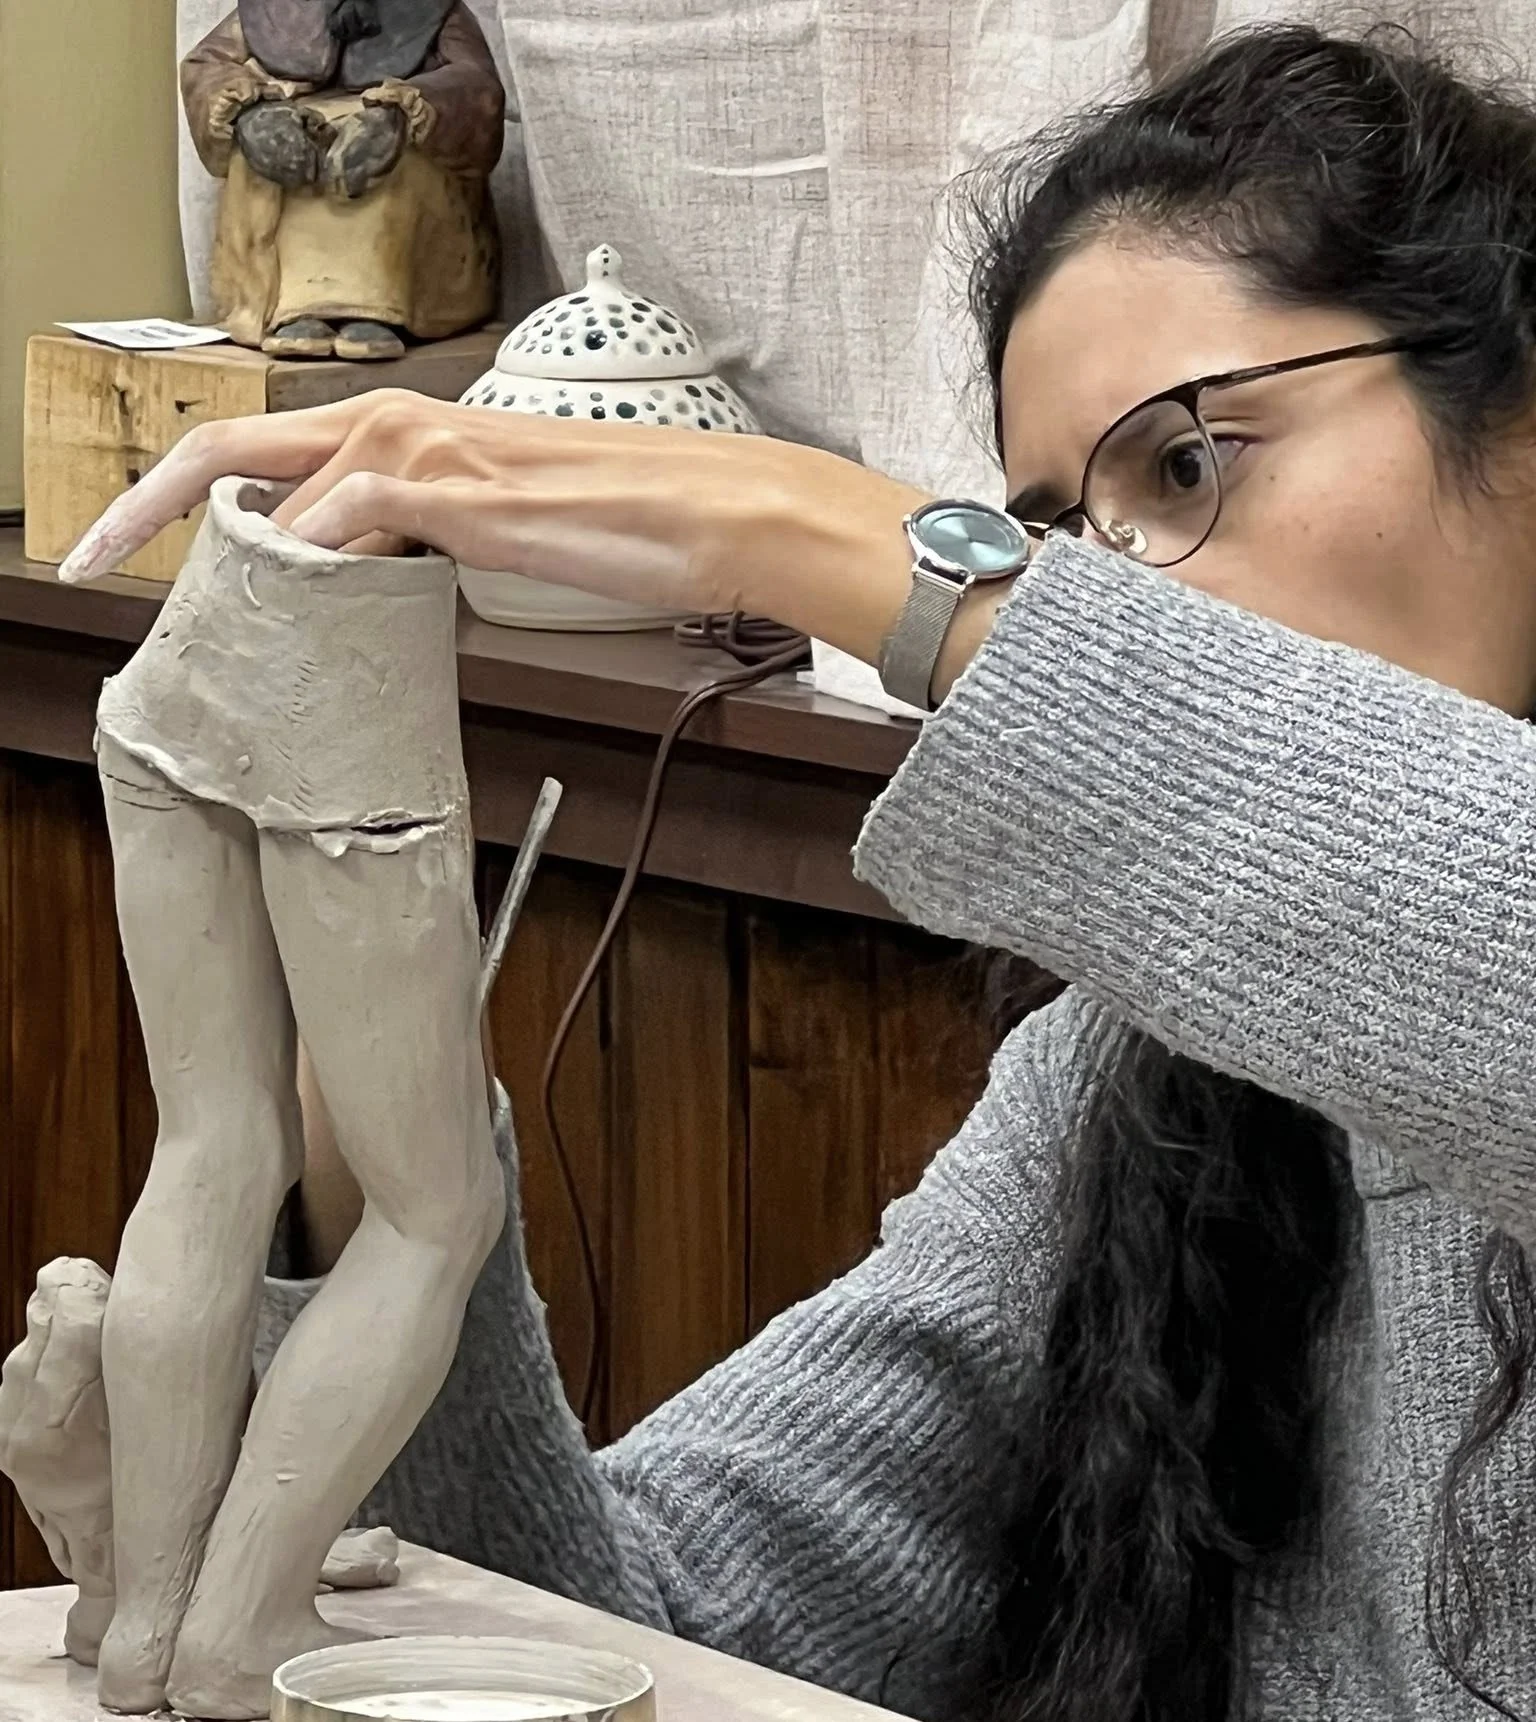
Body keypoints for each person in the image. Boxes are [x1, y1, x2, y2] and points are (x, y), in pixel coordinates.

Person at [53, 23, 1536, 1722]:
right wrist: (371, 1115)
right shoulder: (1120, 1092)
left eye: (1190, 460)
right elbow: (646, 1620)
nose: (1115, 593)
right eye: (1060, 534)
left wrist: (812, 535)